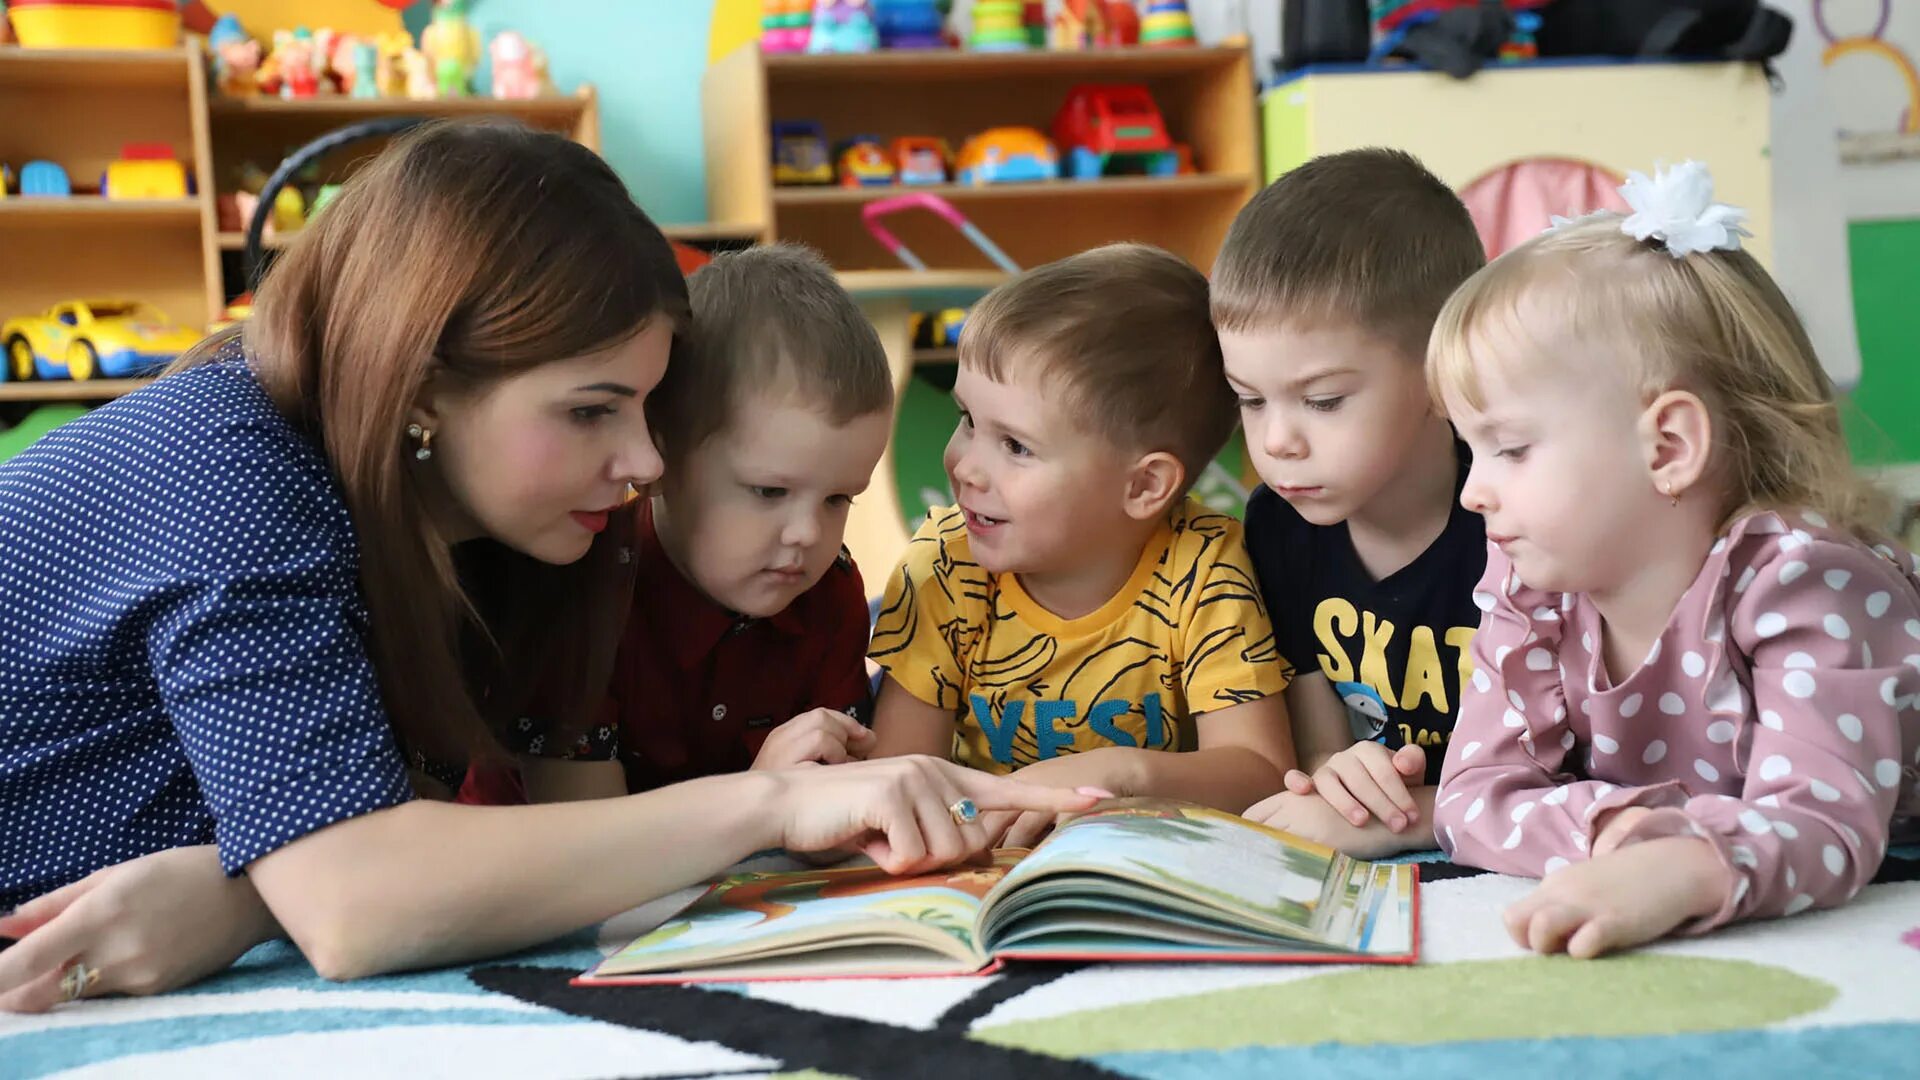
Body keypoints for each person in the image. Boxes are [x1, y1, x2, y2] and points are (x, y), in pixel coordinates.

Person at [0, 122, 1093, 1013]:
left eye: (645, 406)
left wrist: (246, 897)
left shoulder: (516, 523)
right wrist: (765, 805)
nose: (645, 461)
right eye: (589, 410)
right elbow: (355, 904)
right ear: (421, 384)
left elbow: (449, 853)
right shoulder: (231, 465)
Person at [1427, 161, 1920, 958]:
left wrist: (1688, 867)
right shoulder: (1535, 596)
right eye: (1470, 452)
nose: (1473, 493)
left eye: (1510, 449)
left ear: (1669, 446)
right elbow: (1471, 798)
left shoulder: (1803, 582)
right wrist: (1619, 830)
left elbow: (1825, 824)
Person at [868, 244, 1295, 848]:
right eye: (967, 419)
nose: (963, 466)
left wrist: (1121, 775)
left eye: (1015, 446)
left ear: (1144, 485)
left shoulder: (1203, 567)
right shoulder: (943, 564)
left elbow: (1260, 771)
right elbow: (894, 779)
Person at [458, 244, 894, 803]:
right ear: (658, 458)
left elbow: (843, 801)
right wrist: (761, 800)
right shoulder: (579, 591)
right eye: (769, 491)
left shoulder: (830, 588)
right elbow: (591, 845)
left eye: (839, 499)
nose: (808, 533)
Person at [1215, 148, 1488, 856]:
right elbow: (1315, 757)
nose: (1277, 442)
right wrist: (1335, 778)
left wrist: (1420, 810)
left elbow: (1584, 768)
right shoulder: (1278, 526)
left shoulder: (1516, 521)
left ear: (1440, 373)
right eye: (1248, 399)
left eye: (1324, 400)